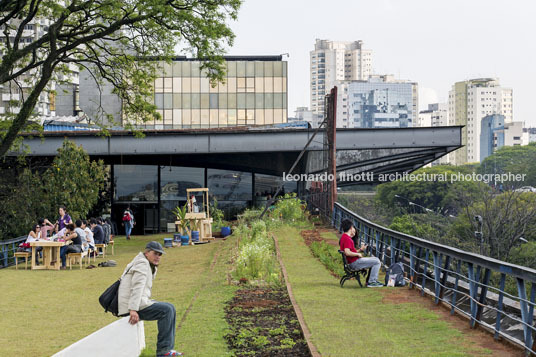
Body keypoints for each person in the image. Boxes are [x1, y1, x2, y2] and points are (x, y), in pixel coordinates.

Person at [118, 241, 182, 357]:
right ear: (147, 253)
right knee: (166, 310)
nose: (158, 257)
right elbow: (136, 288)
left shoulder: (146, 263)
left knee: (170, 307)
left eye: (160, 255)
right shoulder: (142, 264)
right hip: (132, 306)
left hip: (138, 303)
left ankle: (168, 349)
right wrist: (132, 309)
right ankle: (163, 351)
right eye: (155, 254)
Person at [339, 219, 383, 287]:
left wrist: (360, 250)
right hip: (354, 263)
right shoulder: (347, 239)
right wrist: (357, 254)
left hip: (352, 262)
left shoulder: (343, 237)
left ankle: (370, 281)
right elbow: (347, 252)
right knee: (377, 261)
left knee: (374, 259)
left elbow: (349, 252)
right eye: (353, 227)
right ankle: (372, 282)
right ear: (351, 228)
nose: (354, 229)